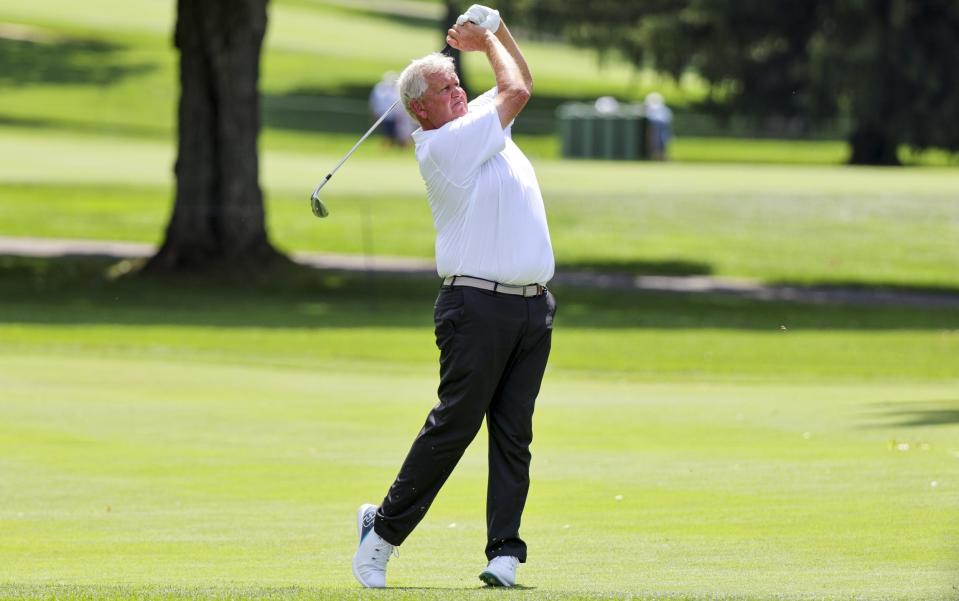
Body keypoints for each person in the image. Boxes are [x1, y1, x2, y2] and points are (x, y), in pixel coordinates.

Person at [351, 4, 556, 590]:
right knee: (455, 427)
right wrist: (488, 33)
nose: (460, 92)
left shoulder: (477, 120)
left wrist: (499, 31)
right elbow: (513, 87)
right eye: (445, 88)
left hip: (531, 306)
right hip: (477, 307)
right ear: (419, 109)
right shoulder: (443, 147)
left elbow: (520, 83)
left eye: (458, 82)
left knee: (514, 432)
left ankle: (504, 554)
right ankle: (382, 533)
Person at [643, 92, 673, 160]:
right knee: (656, 140)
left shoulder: (662, 109)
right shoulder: (662, 109)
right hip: (656, 125)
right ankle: (657, 156)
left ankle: (661, 156)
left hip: (660, 125)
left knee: (661, 140)